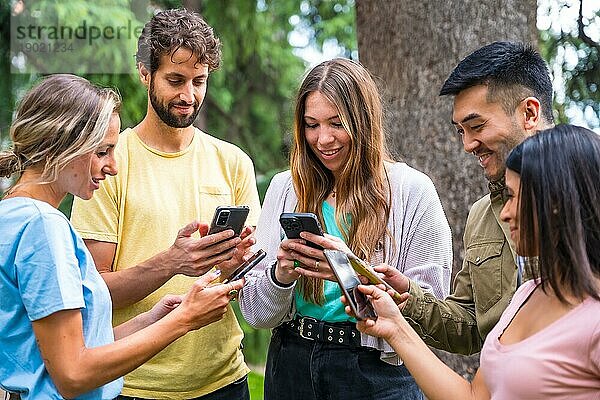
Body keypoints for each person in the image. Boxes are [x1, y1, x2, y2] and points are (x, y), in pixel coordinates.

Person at [0, 74, 243, 399]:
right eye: (103, 151)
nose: (113, 166)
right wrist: (185, 320)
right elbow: (73, 373)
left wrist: (153, 320)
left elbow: (61, 350)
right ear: (65, 145)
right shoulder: (43, 226)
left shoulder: (13, 212)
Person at [70, 9, 261, 400]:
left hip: (225, 381)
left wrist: (237, 264)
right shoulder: (106, 161)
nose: (188, 95)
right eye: (175, 80)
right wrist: (172, 262)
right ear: (145, 73)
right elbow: (92, 294)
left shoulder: (233, 161)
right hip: (134, 384)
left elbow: (250, 281)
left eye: (200, 81)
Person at [239, 58, 453, 400]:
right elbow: (258, 314)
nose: (323, 139)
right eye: (311, 125)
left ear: (364, 121)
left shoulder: (412, 191)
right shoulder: (284, 188)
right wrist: (280, 274)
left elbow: (431, 312)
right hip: (292, 363)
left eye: (336, 123)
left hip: (376, 373)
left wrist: (351, 271)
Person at [351, 124, 600, 399]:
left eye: (514, 197)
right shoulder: (527, 295)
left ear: (557, 202)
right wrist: (395, 327)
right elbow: (473, 396)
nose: (505, 213)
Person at [381, 41, 555, 354]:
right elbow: (471, 326)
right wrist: (406, 297)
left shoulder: (590, 193)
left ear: (529, 113)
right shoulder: (482, 215)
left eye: (476, 126)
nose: (468, 144)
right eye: (461, 131)